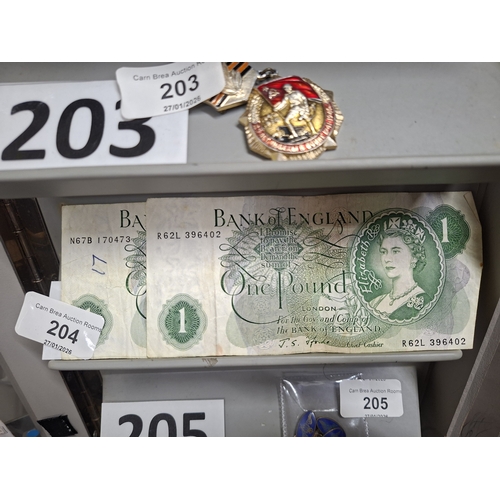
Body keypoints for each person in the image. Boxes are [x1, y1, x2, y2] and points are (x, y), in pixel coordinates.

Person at [369, 225, 431, 320]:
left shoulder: (425, 303)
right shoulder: (374, 303)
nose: (387, 259)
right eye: (383, 252)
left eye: (396, 251)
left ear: (414, 257)